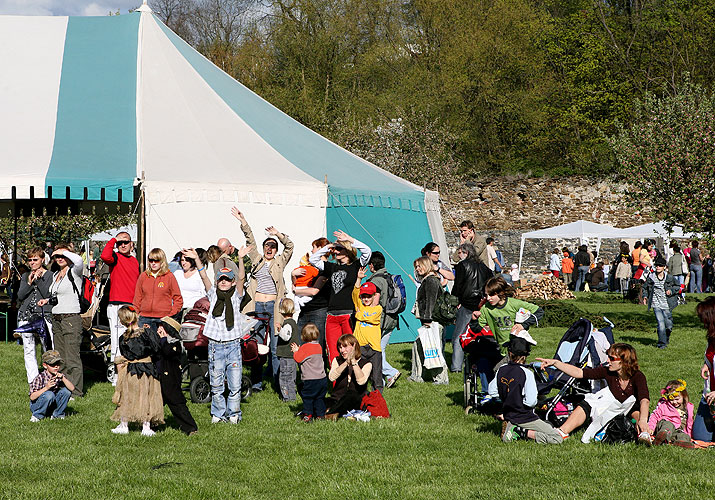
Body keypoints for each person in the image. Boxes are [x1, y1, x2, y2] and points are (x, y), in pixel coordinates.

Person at [536, 343, 650, 441]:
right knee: (586, 404)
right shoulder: (608, 372)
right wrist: (556, 363)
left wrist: (643, 420)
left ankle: (645, 435)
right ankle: (562, 432)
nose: (607, 361)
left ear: (624, 361)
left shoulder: (638, 376)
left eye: (612, 358)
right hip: (610, 407)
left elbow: (644, 400)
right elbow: (579, 373)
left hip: (630, 408)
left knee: (638, 415)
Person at [232, 207, 294, 384]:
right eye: (268, 245)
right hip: (256, 306)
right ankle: (256, 383)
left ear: (276, 250)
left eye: (273, 247)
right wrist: (243, 221)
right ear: (264, 248)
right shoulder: (257, 259)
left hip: (274, 307)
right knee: (257, 346)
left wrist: (278, 234)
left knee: (275, 346)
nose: (270, 249)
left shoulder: (280, 262)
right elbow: (249, 238)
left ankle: (276, 381)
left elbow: (290, 247)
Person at [309, 230, 372, 364]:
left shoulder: (355, 266)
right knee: (333, 351)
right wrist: (328, 247)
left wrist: (350, 239)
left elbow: (367, 251)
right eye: (335, 249)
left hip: (348, 314)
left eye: (338, 249)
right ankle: (336, 382)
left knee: (350, 350)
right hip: (331, 315)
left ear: (347, 250)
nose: (335, 252)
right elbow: (312, 259)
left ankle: (351, 380)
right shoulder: (331, 267)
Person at [489, 337, 563, 444]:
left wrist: (509, 398)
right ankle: (520, 431)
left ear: (509, 353)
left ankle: (512, 426)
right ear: (526, 355)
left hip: (508, 413)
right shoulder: (527, 373)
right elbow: (531, 401)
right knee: (557, 438)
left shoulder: (502, 369)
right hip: (524, 417)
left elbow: (492, 391)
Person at [204, 260, 250, 423]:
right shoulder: (213, 294)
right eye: (221, 279)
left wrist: (242, 260)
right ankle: (218, 413)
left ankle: (234, 413)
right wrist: (197, 260)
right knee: (216, 384)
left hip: (233, 346)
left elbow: (242, 278)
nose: (224, 282)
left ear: (233, 282)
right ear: (217, 281)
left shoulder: (237, 296)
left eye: (227, 279)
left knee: (235, 384)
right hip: (216, 346)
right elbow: (204, 277)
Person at [36, 245, 85, 398]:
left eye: (62, 255)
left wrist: (63, 251)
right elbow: (58, 296)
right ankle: (64, 389)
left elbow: (78, 261)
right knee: (60, 358)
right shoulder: (57, 274)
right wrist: (47, 300)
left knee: (72, 358)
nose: (60, 258)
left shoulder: (74, 271)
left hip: (70, 318)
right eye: (56, 256)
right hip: (56, 318)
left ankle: (76, 392)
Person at [110, 305, 164, 436]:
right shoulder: (147, 333)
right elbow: (157, 348)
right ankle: (146, 426)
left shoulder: (123, 338)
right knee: (147, 396)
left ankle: (124, 424)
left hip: (131, 370)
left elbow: (125, 353)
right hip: (147, 369)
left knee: (127, 396)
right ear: (136, 316)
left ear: (122, 321)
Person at [477, 276, 543, 364]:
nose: (488, 298)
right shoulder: (486, 308)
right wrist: (474, 320)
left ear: (501, 293)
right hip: (502, 348)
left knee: (504, 371)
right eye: (486, 295)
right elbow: (476, 328)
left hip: (518, 348)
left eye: (491, 295)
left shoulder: (514, 304)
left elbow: (539, 311)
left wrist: (523, 325)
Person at [450, 243, 493, 373]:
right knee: (478, 335)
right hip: (481, 305)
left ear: (466, 253)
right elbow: (490, 284)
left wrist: (453, 301)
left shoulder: (463, 266)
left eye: (460, 253)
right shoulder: (484, 268)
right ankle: (477, 364)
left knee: (459, 336)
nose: (458, 255)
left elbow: (458, 286)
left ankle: (456, 367)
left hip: (467, 304)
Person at [101, 232, 140, 367]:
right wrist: (113, 240)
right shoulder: (115, 257)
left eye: (125, 242)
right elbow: (104, 256)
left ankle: (129, 367)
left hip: (132, 306)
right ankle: (116, 372)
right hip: (117, 305)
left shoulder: (134, 261)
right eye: (120, 243)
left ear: (131, 244)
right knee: (117, 339)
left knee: (131, 336)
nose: (122, 245)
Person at [156, 316, 198, 435]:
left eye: (161, 327)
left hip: (170, 380)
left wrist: (164, 339)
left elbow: (167, 352)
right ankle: (150, 425)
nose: (159, 329)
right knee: (155, 403)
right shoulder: (159, 341)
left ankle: (190, 427)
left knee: (177, 404)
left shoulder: (174, 345)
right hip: (159, 378)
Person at [409, 256, 448, 385]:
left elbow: (431, 301)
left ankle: (441, 378)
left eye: (420, 266)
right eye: (416, 267)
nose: (418, 269)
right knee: (422, 346)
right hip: (431, 320)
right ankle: (417, 375)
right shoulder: (429, 279)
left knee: (433, 348)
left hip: (433, 321)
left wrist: (427, 319)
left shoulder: (431, 281)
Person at [17, 247, 53, 383]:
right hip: (26, 315)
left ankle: (49, 377)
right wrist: (29, 283)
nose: (32, 263)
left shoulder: (50, 275)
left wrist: (40, 279)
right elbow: (20, 295)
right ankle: (33, 379)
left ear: (42, 260)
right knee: (29, 348)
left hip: (44, 315)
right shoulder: (26, 275)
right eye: (30, 260)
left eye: (35, 260)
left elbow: (48, 294)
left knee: (47, 347)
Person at [367, 251, 400, 388]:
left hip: (380, 321)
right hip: (392, 319)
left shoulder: (375, 281)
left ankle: (391, 372)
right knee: (381, 349)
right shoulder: (389, 277)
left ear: (372, 265)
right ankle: (383, 376)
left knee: (374, 351)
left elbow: (373, 303)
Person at [294, 237, 331, 355]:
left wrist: (296, 291)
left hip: (319, 310)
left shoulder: (326, 268)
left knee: (318, 344)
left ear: (321, 248)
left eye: (314, 247)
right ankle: (306, 370)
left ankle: (320, 371)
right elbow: (297, 283)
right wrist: (292, 275)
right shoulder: (310, 267)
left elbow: (314, 291)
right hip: (305, 310)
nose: (312, 250)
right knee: (301, 342)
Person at [133, 248, 183, 335]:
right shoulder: (143, 276)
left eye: (156, 260)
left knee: (161, 346)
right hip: (144, 318)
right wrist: (136, 315)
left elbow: (178, 299)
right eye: (151, 260)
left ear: (162, 261)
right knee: (145, 346)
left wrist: (170, 315)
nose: (153, 263)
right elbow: (137, 297)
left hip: (163, 318)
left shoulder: (169, 276)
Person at [325, 334, 371, 418]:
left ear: (354, 346)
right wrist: (345, 363)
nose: (342, 350)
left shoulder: (366, 363)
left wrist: (353, 362)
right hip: (337, 398)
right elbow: (331, 377)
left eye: (345, 347)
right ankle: (333, 412)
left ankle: (330, 412)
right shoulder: (337, 360)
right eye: (340, 347)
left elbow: (361, 381)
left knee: (351, 395)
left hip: (355, 399)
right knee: (320, 400)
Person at [352, 270, 383, 392]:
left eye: (369, 296)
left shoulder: (378, 308)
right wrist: (359, 279)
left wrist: (358, 316)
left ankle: (378, 398)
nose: (365, 299)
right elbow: (355, 293)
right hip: (360, 346)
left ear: (374, 296)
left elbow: (372, 319)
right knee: (360, 375)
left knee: (376, 375)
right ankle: (362, 397)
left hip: (374, 348)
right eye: (363, 296)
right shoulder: (359, 305)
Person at [291, 323, 327, 422]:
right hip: (322, 378)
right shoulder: (318, 346)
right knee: (319, 398)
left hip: (310, 379)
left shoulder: (305, 347)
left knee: (308, 398)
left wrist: (295, 351)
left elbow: (298, 359)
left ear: (303, 336)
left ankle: (308, 415)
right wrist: (300, 350)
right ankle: (320, 415)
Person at [643, 257, 680, 349]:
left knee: (669, 325)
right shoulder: (651, 277)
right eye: (657, 265)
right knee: (660, 323)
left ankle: (666, 338)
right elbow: (645, 287)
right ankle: (661, 344)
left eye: (660, 266)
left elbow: (678, 286)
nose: (658, 267)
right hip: (656, 304)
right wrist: (645, 296)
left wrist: (671, 291)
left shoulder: (669, 277)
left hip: (667, 304)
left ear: (664, 267)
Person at [28, 350, 74, 422]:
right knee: (49, 394)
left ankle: (58, 415)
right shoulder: (40, 378)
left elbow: (72, 388)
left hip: (51, 404)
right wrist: (46, 388)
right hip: (37, 405)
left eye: (58, 364)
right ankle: (37, 416)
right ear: (45, 365)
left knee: (66, 392)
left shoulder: (59, 376)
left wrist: (63, 378)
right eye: (52, 365)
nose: (56, 367)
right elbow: (32, 397)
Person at [692, 297, 715, 441]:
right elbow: (711, 356)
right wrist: (707, 364)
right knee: (700, 437)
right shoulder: (712, 338)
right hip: (709, 396)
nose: (703, 323)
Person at [648, 379, 694, 447]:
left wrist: (689, 434)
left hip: (678, 430)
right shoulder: (664, 405)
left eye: (677, 399)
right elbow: (655, 416)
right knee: (668, 425)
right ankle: (661, 437)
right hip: (665, 426)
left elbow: (689, 423)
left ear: (683, 396)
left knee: (683, 435)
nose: (674, 402)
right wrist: (650, 427)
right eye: (671, 399)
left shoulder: (687, 407)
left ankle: (682, 442)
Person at [276, 298, 300, 402]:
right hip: (291, 356)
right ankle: (291, 396)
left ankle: (287, 397)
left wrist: (280, 329)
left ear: (281, 311)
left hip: (287, 356)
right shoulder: (293, 322)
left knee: (285, 377)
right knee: (291, 377)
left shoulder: (288, 324)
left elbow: (286, 337)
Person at [173, 248, 211, 312]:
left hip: (193, 309)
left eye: (186, 260)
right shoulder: (177, 273)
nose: (184, 263)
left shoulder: (198, 274)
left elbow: (206, 292)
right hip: (178, 309)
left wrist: (196, 258)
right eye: (182, 260)